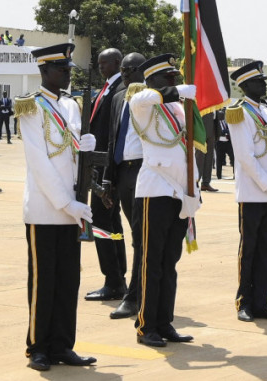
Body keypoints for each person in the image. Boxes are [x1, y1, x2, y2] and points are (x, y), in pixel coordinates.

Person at [14, 43, 97, 371]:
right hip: (46, 208)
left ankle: (63, 344)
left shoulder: (71, 107)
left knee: (68, 281)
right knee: (43, 281)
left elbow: (72, 155)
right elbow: (39, 162)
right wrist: (67, 203)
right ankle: (38, 347)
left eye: (68, 70)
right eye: (61, 70)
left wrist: (86, 150)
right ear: (44, 71)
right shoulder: (30, 107)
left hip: (73, 206)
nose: (67, 74)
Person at [128, 53, 198, 348]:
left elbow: (186, 151)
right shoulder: (142, 103)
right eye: (168, 78)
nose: (174, 82)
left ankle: (164, 321)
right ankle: (146, 326)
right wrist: (176, 92)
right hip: (154, 191)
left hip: (178, 193)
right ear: (154, 80)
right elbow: (142, 98)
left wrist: (193, 193)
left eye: (175, 78)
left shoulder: (179, 110)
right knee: (151, 262)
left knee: (170, 262)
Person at [226, 61, 267, 322]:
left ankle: (263, 302)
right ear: (245, 86)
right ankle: (244, 301)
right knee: (249, 248)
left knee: (266, 249)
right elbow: (245, 157)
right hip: (253, 192)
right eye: (259, 81)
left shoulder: (265, 111)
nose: (264, 85)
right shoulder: (239, 112)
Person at [102, 52, 146, 320]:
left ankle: (135, 295)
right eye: (124, 70)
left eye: (130, 70)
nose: (126, 75)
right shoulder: (119, 98)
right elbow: (112, 141)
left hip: (144, 172)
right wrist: (108, 180)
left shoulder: (153, 98)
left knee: (141, 237)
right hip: (123, 174)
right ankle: (137, 292)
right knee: (135, 235)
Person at [83, 48, 129, 303]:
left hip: (105, 168)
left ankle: (113, 280)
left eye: (105, 63)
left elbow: (111, 134)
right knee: (112, 224)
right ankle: (118, 276)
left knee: (102, 222)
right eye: (99, 64)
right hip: (101, 166)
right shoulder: (107, 88)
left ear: (117, 63)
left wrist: (106, 176)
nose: (101, 67)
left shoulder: (118, 90)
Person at [214, 109, 233, 180]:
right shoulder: (217, 123)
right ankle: (219, 176)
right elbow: (219, 132)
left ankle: (235, 175)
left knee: (233, 158)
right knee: (219, 160)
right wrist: (225, 132)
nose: (222, 115)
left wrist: (226, 131)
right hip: (219, 143)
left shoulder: (226, 122)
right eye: (220, 114)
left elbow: (230, 129)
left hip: (228, 143)